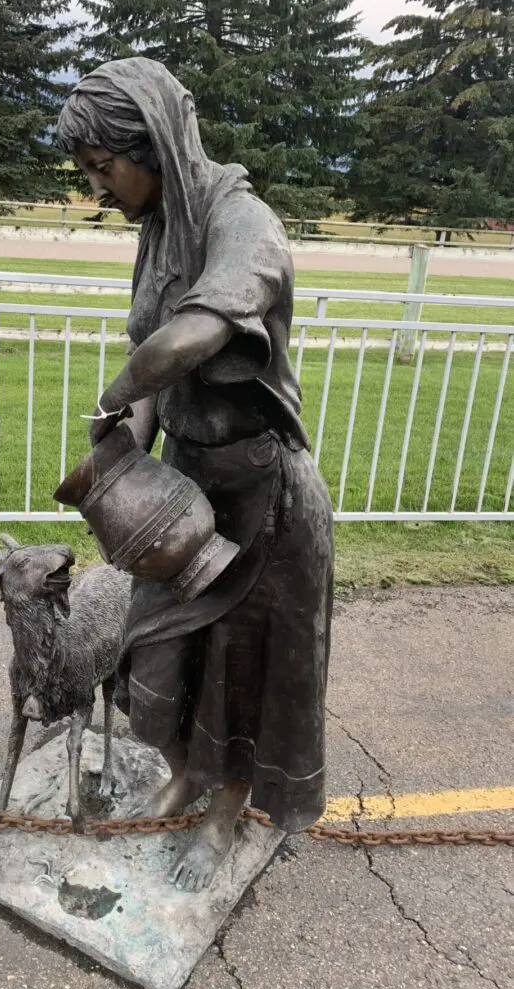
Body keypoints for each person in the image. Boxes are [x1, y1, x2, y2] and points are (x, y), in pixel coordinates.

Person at [57, 58, 334, 892]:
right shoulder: (159, 229)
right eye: (89, 173)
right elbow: (158, 372)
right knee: (162, 649)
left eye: (105, 167)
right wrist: (119, 440)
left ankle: (226, 810)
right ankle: (183, 771)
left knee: (241, 674)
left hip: (262, 500)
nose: (99, 189)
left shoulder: (242, 221)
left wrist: (118, 390)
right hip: (184, 490)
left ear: (156, 142)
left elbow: (190, 339)